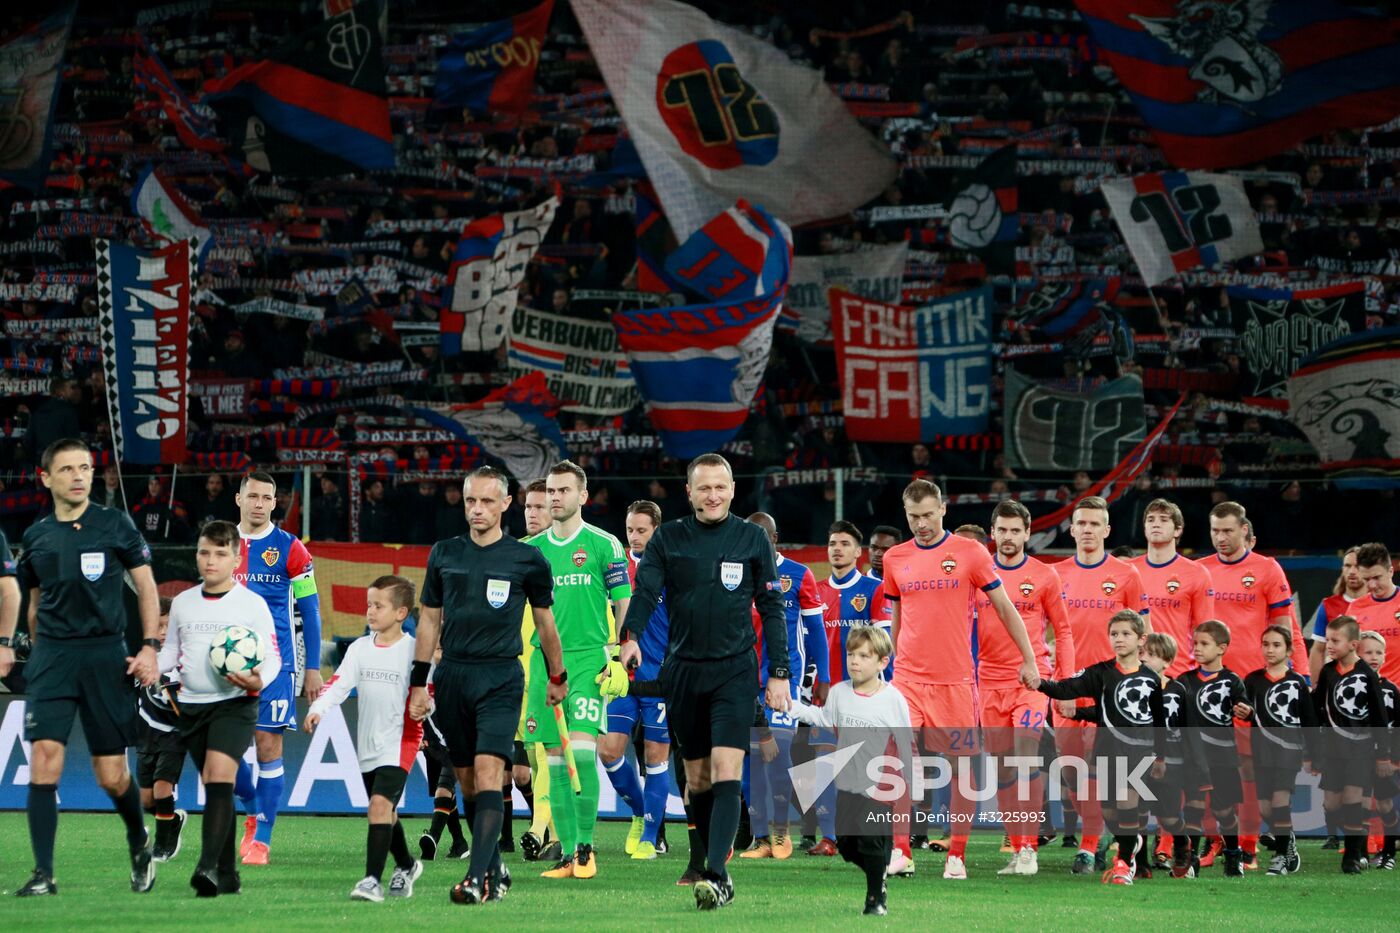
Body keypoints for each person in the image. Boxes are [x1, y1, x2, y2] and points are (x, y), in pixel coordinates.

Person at [618, 452, 788, 911]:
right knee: (697, 778)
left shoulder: (752, 538)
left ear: (732, 490)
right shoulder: (669, 538)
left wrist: (779, 672)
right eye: (704, 487)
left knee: (727, 768)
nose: (713, 495)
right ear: (689, 492)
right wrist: (629, 636)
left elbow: (773, 609)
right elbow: (646, 591)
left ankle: (717, 873)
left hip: (734, 671)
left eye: (721, 487)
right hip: (684, 672)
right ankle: (708, 861)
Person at [408, 465, 566, 904]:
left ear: (505, 504)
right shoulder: (444, 553)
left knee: (489, 772)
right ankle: (494, 864)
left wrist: (558, 676)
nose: (477, 509)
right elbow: (429, 621)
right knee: (469, 781)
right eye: (470, 501)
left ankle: (477, 879)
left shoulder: (527, 559)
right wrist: (419, 682)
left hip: (500, 676)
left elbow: (545, 623)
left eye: (486, 501)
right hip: (454, 675)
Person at [13, 438, 162, 897]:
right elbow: (34, 605)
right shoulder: (36, 537)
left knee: (111, 775)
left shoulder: (114, 524)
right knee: (44, 761)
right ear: (46, 478)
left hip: (104, 657)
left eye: (85, 468)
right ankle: (44, 874)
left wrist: (151, 647)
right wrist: (38, 652)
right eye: (68, 469)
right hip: (54, 658)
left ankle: (138, 841)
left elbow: (147, 587)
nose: (79, 477)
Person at [882, 479, 1038, 881]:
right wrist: (894, 667)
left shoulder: (970, 553)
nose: (921, 524)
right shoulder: (896, 558)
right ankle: (900, 851)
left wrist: (1029, 658)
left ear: (943, 510)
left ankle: (957, 855)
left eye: (928, 515)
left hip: (955, 681)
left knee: (961, 769)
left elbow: (1004, 608)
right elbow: (899, 618)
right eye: (913, 517)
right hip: (908, 679)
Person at [159, 520, 279, 896]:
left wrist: (260, 680)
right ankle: (228, 875)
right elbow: (170, 653)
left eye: (220, 553)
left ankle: (206, 867)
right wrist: (151, 665)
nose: (210, 561)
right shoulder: (182, 602)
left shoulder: (252, 604)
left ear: (236, 559)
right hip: (190, 706)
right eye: (204, 552)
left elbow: (271, 656)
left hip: (236, 704)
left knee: (218, 776)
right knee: (217, 788)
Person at [525, 460, 631, 880]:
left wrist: (620, 658)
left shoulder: (606, 545)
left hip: (588, 660)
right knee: (553, 764)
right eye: (551, 491)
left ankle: (586, 849)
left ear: (583, 496)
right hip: (543, 662)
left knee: (583, 754)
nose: (555, 498)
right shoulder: (531, 550)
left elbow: (624, 603)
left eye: (563, 490)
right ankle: (568, 855)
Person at [1198, 501, 1307, 865]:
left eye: (1228, 530)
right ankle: (1217, 841)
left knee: (1247, 768)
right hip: (1210, 687)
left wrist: (1298, 675)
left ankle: (1247, 845)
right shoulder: (1201, 571)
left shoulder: (1266, 569)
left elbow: (1285, 629)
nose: (1221, 537)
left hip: (1254, 687)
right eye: (1215, 530)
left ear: (1245, 530)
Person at [306, 575, 424, 902]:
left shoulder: (414, 651)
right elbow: (339, 684)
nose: (370, 611)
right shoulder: (359, 648)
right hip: (368, 743)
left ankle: (372, 880)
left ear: (401, 613)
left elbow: (426, 693)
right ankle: (407, 864)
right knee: (386, 812)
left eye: (378, 606)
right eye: (369, 604)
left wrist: (426, 708)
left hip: (401, 741)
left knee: (378, 805)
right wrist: (318, 707)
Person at [786, 626, 913, 916]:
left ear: (882, 662)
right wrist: (793, 707)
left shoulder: (893, 700)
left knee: (871, 838)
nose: (855, 661)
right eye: (851, 654)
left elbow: (907, 743)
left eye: (864, 656)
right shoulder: (840, 693)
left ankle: (875, 899)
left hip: (882, 784)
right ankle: (878, 874)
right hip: (848, 785)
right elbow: (824, 718)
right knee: (847, 845)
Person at [231, 471, 323, 865]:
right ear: (239, 498)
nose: (260, 504)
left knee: (268, 747)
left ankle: (262, 838)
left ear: (274, 502)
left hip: (275, 665)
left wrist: (313, 668)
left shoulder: (291, 549)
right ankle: (251, 807)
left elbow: (311, 611)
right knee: (225, 754)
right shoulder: (221, 543)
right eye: (253, 496)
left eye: (267, 498)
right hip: (225, 667)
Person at [980, 499, 1075, 877]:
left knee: (1025, 753)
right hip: (988, 683)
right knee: (1003, 768)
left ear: (1028, 533)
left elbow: (1063, 631)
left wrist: (1064, 685)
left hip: (1030, 681)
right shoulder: (979, 575)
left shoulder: (1045, 576)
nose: (1008, 537)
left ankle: (1031, 848)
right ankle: (1018, 847)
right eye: (1001, 530)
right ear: (992, 532)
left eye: (1015, 530)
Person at [1037, 609, 1165, 886]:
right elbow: (1067, 689)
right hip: (1106, 750)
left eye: (1126, 634)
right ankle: (1132, 844)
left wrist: (1161, 755)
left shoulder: (1152, 679)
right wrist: (1040, 684)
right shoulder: (1100, 673)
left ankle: (1122, 865)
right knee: (1109, 811)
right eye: (1114, 634)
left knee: (1127, 803)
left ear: (1141, 639)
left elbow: (1159, 720)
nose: (1119, 639)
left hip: (1139, 752)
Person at [1054, 495, 1147, 874]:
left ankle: (1090, 846)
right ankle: (1100, 834)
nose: (1088, 530)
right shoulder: (1054, 574)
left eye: (1096, 524)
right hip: (1068, 688)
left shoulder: (1127, 575)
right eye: (1082, 523)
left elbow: (1144, 634)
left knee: (1102, 771)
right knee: (1072, 770)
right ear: (1072, 528)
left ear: (1107, 530)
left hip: (1110, 690)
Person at [740, 511, 826, 862]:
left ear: (774, 539)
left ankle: (780, 832)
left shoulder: (799, 574)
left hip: (783, 681)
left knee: (775, 757)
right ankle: (760, 837)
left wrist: (824, 680)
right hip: (745, 682)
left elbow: (816, 631)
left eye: (761, 536)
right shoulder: (735, 573)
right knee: (748, 763)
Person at [806, 521, 891, 855]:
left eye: (844, 543)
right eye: (831, 543)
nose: (836, 549)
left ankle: (866, 833)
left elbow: (885, 646)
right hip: (826, 695)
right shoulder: (817, 590)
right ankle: (830, 838)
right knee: (825, 764)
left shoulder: (873, 589)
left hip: (862, 694)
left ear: (859, 552)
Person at [599, 500, 672, 861]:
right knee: (609, 750)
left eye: (642, 530)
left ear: (656, 530)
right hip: (622, 677)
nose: (635, 536)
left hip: (660, 675)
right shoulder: (616, 568)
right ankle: (644, 817)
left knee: (656, 756)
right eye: (630, 529)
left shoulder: (673, 568)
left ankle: (649, 838)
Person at [1234, 624, 1319, 877]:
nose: (1270, 650)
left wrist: (1313, 755)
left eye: (1276, 645)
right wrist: (1245, 713)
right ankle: (1288, 840)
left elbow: (1309, 721)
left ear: (1290, 650)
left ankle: (1280, 857)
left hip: (1287, 752)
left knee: (1280, 803)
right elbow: (1246, 711)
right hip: (1261, 752)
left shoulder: (1296, 684)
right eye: (1266, 644)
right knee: (1265, 808)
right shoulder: (1253, 680)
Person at [1313, 615, 1389, 874]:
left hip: (1361, 750)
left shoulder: (1366, 673)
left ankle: (1353, 857)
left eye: (1336, 640)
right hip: (1333, 751)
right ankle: (1354, 840)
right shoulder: (1327, 671)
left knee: (1354, 799)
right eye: (1328, 639)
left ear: (1353, 645)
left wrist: (1383, 756)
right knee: (1333, 804)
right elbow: (1316, 707)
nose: (1330, 645)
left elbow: (1379, 715)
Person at [1176, 619, 1248, 877]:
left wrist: (1246, 711)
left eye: (1204, 644)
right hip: (1194, 758)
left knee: (1223, 811)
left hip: (1222, 757)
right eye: (1194, 643)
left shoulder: (1232, 681)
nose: (1197, 648)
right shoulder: (1184, 680)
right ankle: (1191, 859)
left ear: (1221, 648)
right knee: (1193, 806)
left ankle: (1232, 853)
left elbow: (1246, 708)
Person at [516, 479, 557, 862]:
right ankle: (555, 835)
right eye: (529, 506)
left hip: (555, 672)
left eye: (540, 507)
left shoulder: (565, 553)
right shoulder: (514, 553)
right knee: (534, 760)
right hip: (519, 672)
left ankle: (537, 827)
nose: (533, 513)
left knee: (549, 754)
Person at [1131, 499, 1214, 678]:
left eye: (1163, 519)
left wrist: (1206, 678)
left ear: (1178, 530)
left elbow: (1205, 631)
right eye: (1151, 520)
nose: (1156, 524)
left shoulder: (1196, 573)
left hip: (1178, 673)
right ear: (1144, 528)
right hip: (1132, 673)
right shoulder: (1128, 571)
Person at [137, 596, 188, 863]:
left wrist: (174, 694)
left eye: (170, 625)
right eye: (159, 625)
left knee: (161, 789)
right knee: (147, 799)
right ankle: (173, 821)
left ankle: (162, 845)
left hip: (173, 735)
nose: (164, 631)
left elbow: (184, 707)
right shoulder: (145, 658)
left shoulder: (185, 663)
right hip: (146, 732)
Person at [1140, 632, 1192, 876]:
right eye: (1142, 654)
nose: (1144, 659)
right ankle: (1139, 865)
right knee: (1136, 813)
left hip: (1171, 762)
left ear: (1167, 662)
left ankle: (1182, 843)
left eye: (1151, 655)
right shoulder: (1133, 685)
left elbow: (1189, 730)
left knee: (1167, 816)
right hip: (1138, 760)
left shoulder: (1179, 691)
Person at [1357, 630, 1400, 869]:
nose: (1374, 656)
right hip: (1359, 757)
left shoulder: (1390, 690)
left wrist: (1395, 758)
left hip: (1383, 760)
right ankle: (1360, 852)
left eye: (1379, 652)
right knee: (1360, 804)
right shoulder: (1352, 687)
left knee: (1384, 804)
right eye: (1368, 652)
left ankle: (1389, 853)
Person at [1309, 546, 1365, 683]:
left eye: (1357, 566)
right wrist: (1316, 688)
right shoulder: (1328, 605)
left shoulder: (1377, 604)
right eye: (1347, 566)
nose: (1352, 571)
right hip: (1338, 681)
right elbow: (1318, 650)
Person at [1348, 542, 1400, 684]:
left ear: (1390, 571)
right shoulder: (1355, 608)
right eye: (1366, 579)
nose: (1372, 585)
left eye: (1377, 578)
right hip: (1369, 696)